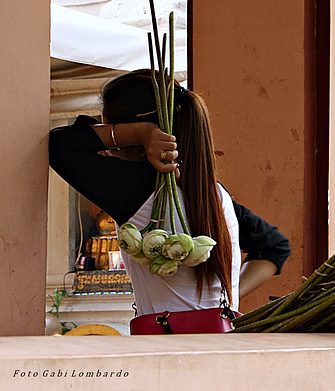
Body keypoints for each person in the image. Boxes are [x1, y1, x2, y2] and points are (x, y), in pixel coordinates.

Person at [49, 69, 290, 327]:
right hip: (220, 340)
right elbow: (275, 246)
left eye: (114, 135)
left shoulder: (139, 189)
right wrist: (220, 304)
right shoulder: (213, 192)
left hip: (170, 347)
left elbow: (58, 144)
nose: (108, 151)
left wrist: (142, 133)